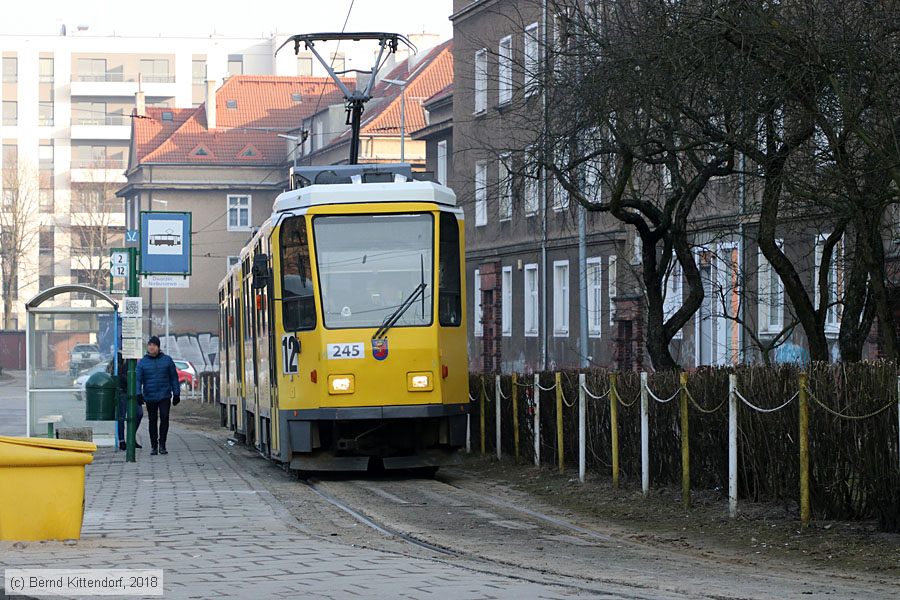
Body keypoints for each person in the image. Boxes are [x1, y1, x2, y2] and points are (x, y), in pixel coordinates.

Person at [136, 336, 180, 455]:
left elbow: (174, 378)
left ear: (158, 347)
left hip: (164, 395)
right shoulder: (143, 362)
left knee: (165, 418)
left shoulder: (167, 360)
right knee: (152, 420)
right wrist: (138, 393)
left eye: (154, 345)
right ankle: (154, 446)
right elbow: (138, 379)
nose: (151, 347)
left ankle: (162, 444)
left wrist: (176, 393)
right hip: (150, 395)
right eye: (150, 345)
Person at [109, 351, 143, 450]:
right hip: (122, 391)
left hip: (133, 391)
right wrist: (130, 380)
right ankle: (122, 441)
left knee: (138, 413)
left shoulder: (134, 356)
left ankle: (131, 438)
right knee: (122, 417)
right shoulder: (119, 356)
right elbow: (118, 374)